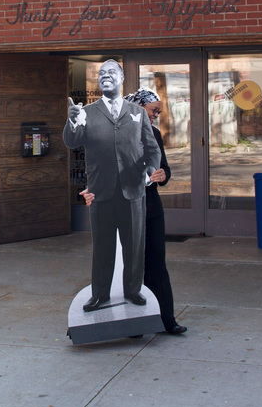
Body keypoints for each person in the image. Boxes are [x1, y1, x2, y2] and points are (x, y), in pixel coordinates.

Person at [63, 60, 159, 312]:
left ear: (121, 78)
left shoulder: (137, 113)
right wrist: (72, 121)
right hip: (100, 190)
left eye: (111, 73)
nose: (106, 76)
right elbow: (72, 141)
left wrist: (149, 173)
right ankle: (100, 294)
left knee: (134, 244)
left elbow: (151, 149)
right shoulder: (88, 112)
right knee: (103, 246)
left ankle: (133, 290)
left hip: (133, 189)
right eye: (102, 73)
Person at [126, 89, 187, 335]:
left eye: (158, 111)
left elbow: (165, 169)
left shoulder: (154, 134)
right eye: (154, 110)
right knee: (129, 267)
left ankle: (166, 320)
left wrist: (163, 176)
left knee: (156, 265)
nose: (157, 115)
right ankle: (132, 322)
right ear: (137, 108)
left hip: (151, 209)